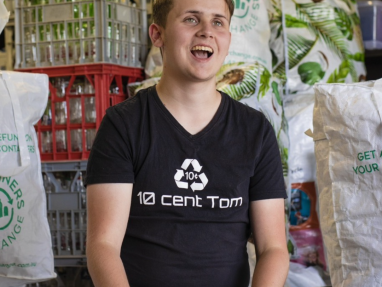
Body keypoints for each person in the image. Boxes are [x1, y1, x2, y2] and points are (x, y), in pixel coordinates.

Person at [85, 0, 289, 286]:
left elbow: (273, 249)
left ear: (228, 38)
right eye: (191, 19)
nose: (207, 31)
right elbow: (103, 246)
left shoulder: (255, 131)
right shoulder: (123, 125)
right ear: (158, 35)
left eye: (218, 22)